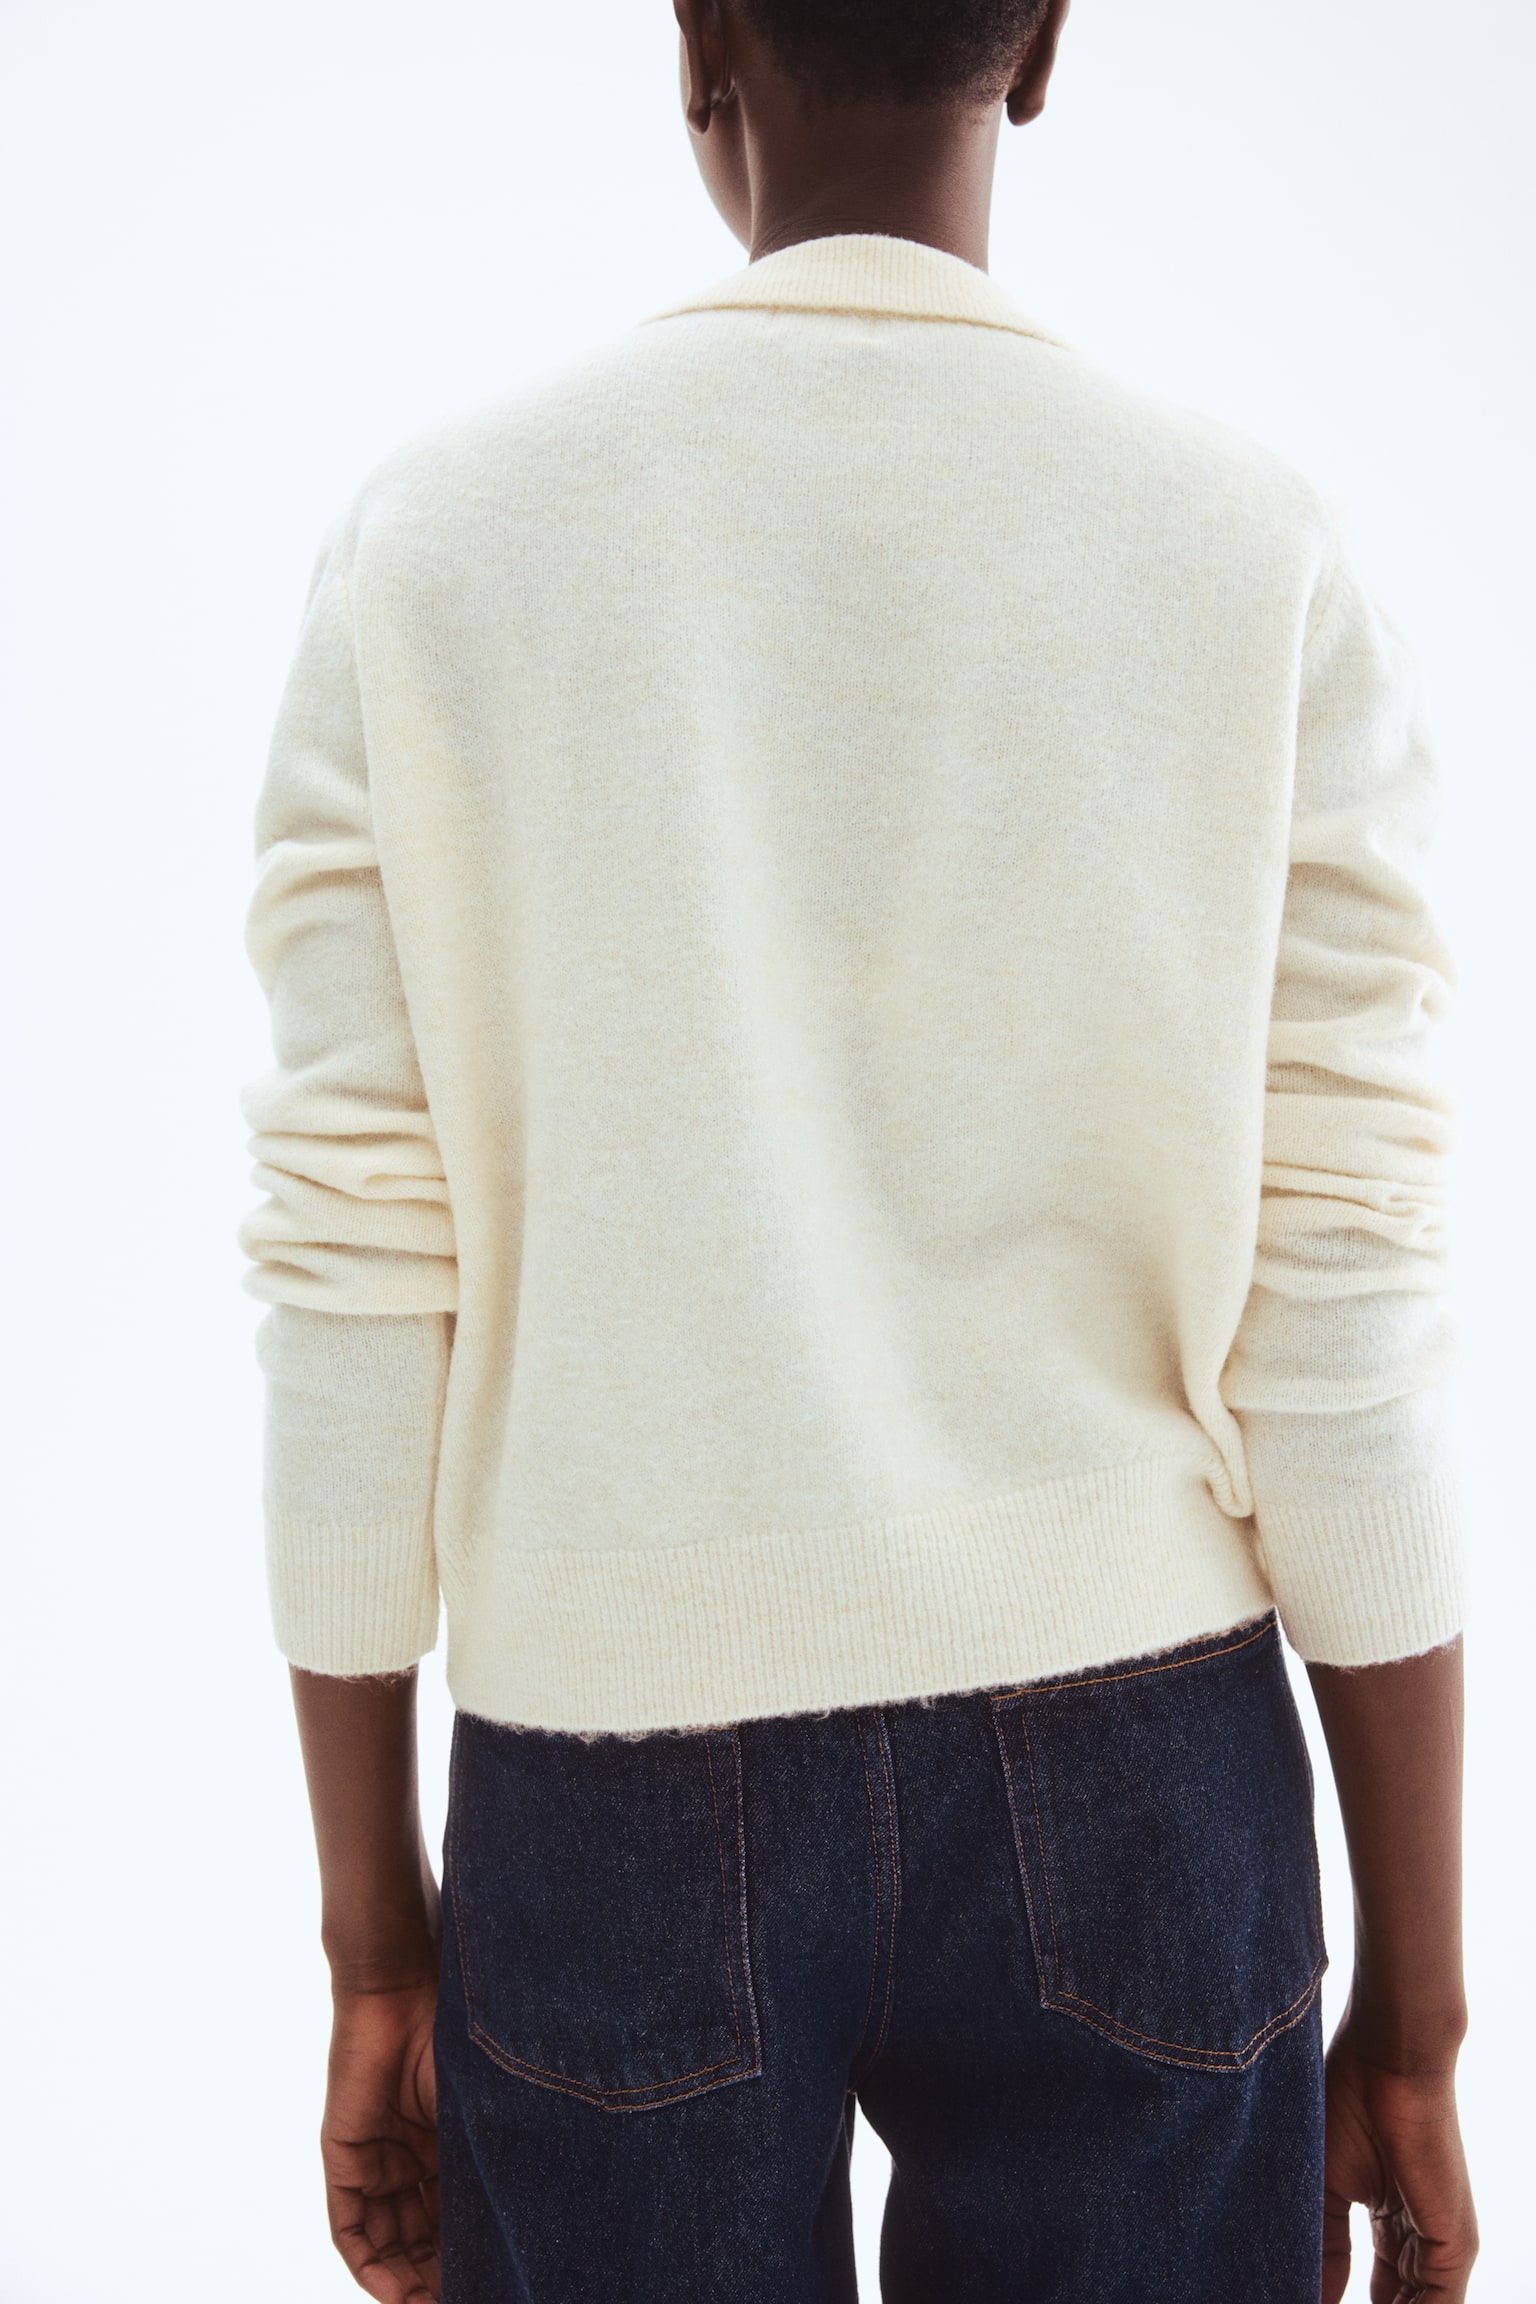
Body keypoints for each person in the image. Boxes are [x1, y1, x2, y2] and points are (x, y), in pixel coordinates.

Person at [240, 1, 1478, 2297]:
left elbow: (353, 1264)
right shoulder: (1252, 554)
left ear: (699, 34)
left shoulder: (436, 550)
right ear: (1046, 40)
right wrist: (1421, 1995)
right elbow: (1347, 1283)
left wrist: (375, 1939)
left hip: (607, 1772)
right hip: (1145, 1763)